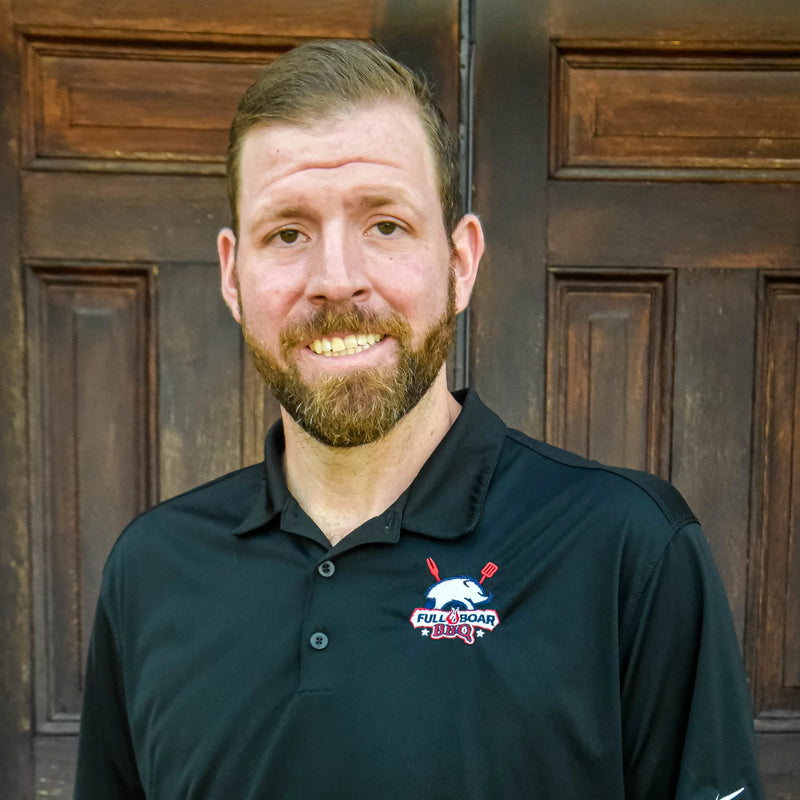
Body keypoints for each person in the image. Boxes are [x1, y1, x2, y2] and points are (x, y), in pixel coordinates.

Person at [74, 40, 763, 800]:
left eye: (386, 225)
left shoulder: (628, 550)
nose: (336, 280)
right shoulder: (152, 569)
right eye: (288, 234)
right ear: (234, 277)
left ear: (461, 262)